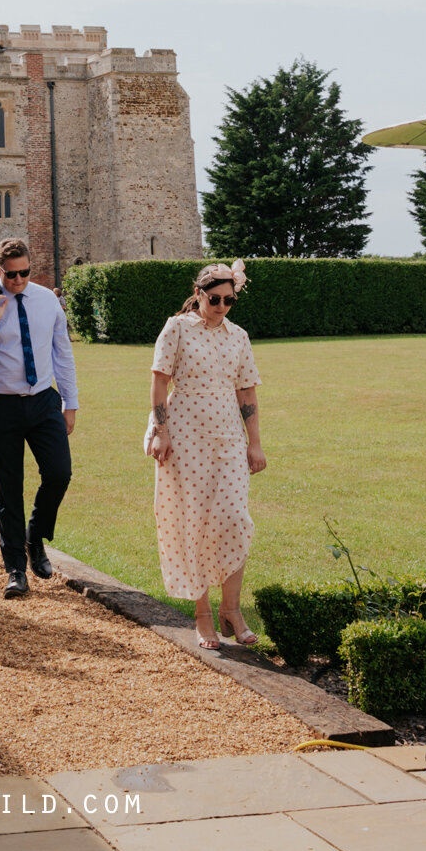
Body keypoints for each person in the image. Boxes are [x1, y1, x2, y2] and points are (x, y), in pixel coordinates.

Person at [146, 260, 266, 650]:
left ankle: (231, 609)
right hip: (185, 437)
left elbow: (247, 392)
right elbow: (160, 383)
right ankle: (203, 615)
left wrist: (255, 443)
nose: (221, 306)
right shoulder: (176, 328)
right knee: (193, 522)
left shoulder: (239, 336)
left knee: (234, 518)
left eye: (229, 300)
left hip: (229, 437)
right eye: (214, 299)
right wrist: (161, 433)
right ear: (198, 294)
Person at [0, 237, 77, 599]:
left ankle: (34, 536)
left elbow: (62, 352)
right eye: (12, 274)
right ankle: (15, 570)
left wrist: (71, 402)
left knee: (59, 472)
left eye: (24, 272)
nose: (19, 279)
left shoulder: (47, 300)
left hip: (42, 401)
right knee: (9, 489)